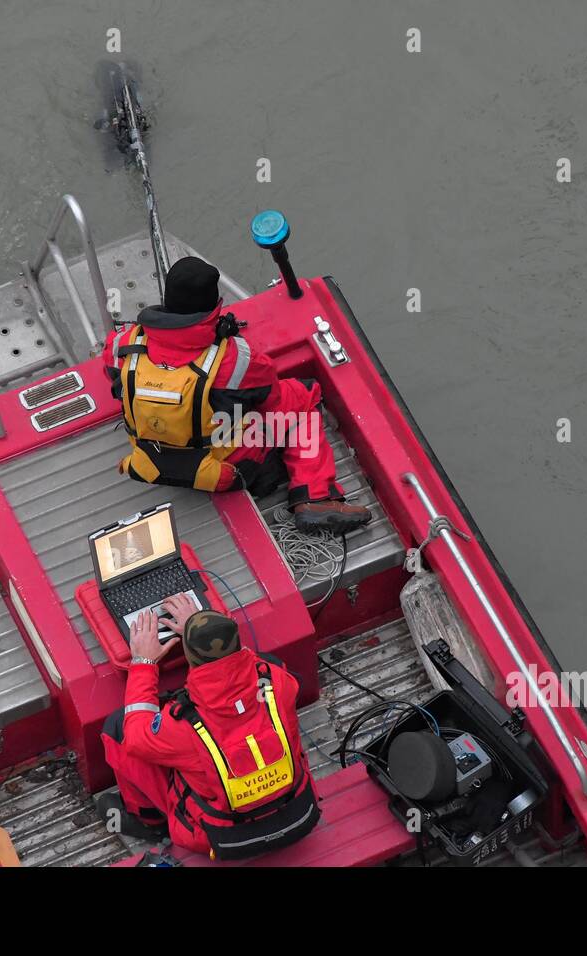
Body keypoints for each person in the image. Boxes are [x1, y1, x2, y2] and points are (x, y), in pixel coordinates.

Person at [102, 255, 371, 535]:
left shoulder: (121, 344)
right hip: (227, 470)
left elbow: (112, 377)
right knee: (303, 395)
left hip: (150, 463)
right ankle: (315, 497)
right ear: (214, 308)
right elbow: (273, 400)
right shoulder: (237, 359)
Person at [98, 593, 320, 860]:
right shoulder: (278, 682)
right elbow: (252, 665)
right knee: (272, 664)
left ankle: (149, 821)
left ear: (190, 658)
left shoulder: (181, 726)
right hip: (298, 810)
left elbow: (136, 736)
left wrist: (144, 663)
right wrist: (204, 628)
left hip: (219, 836)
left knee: (119, 729)